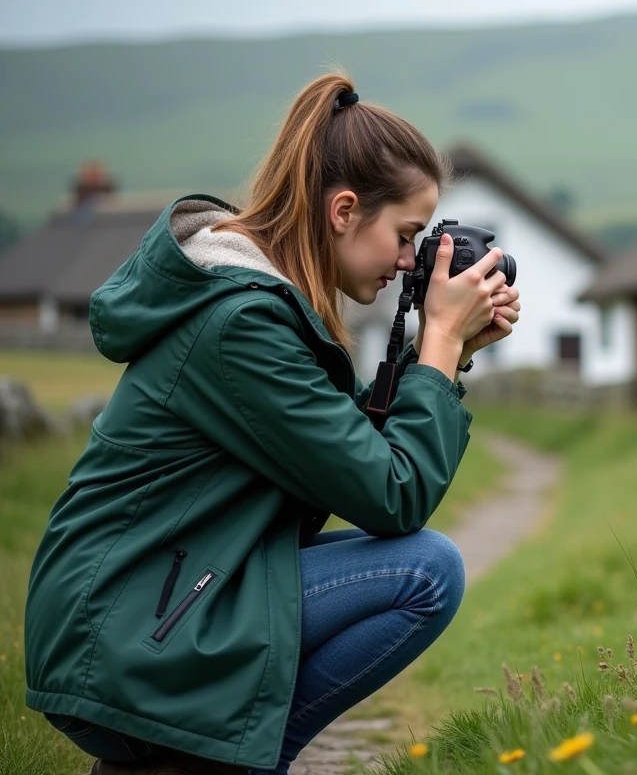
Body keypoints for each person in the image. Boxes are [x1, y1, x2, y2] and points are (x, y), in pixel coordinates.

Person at [23, 73, 520, 775]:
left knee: (423, 566)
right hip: (124, 627)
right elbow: (391, 495)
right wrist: (436, 349)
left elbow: (356, 458)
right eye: (407, 236)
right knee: (425, 572)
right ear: (345, 210)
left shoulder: (271, 308)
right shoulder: (242, 324)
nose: (413, 261)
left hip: (161, 600)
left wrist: (449, 351)